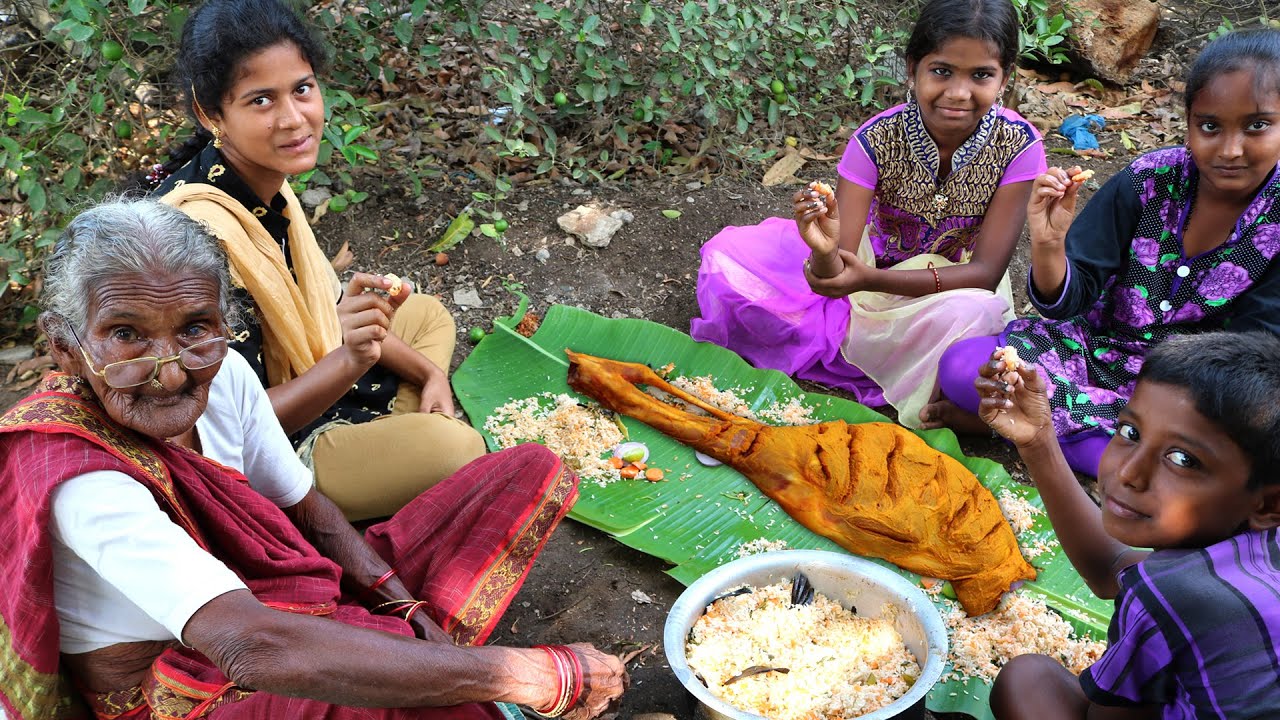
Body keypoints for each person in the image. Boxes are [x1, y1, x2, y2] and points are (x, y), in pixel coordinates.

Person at [0, 199, 627, 720]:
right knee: (448, 702)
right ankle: (421, 672)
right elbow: (248, 644)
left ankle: (416, 660)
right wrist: (522, 673)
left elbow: (309, 509)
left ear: (223, 325)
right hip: (184, 688)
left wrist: (401, 607)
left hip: (270, 608)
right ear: (66, 346)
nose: (167, 370)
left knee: (525, 471)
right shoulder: (76, 476)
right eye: (127, 334)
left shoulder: (225, 378)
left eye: (194, 328)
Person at [145, 0, 483, 520]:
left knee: (429, 315)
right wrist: (351, 360)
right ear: (211, 112)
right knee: (457, 451)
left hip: (312, 380)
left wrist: (430, 375)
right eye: (261, 100)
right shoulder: (198, 243)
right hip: (267, 455)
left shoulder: (259, 186)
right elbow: (230, 427)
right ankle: (368, 471)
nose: (294, 118)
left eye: (302, 89)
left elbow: (321, 309)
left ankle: (401, 429)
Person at [926, 29, 1280, 476]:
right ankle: (1062, 441)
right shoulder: (1147, 181)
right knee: (963, 366)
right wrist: (1049, 243)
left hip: (1195, 397)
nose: (1231, 149)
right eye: (1209, 126)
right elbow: (1067, 301)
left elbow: (1258, 355)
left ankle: (1020, 430)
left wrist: (1166, 405)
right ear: (1188, 122)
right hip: (1093, 352)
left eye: (1257, 126)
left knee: (1199, 455)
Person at [691, 0, 1045, 426]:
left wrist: (871, 278)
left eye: (981, 75)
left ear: (1005, 76)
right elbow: (833, 277)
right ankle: (899, 369)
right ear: (913, 67)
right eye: (942, 71)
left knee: (977, 314)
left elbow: (985, 273)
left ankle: (899, 367)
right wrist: (824, 252)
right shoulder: (875, 140)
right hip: (861, 278)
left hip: (947, 290)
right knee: (727, 257)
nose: (958, 92)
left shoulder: (1018, 147)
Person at [975, 331, 1280, 719]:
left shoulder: (1173, 595)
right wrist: (1038, 440)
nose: (1129, 472)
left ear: (1269, 502)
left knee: (1027, 681)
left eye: (1183, 460)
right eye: (1130, 433)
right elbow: (1111, 569)